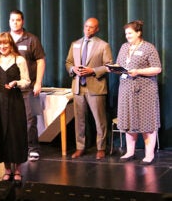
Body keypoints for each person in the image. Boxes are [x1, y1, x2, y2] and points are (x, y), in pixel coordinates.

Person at [111, 20, 161, 165]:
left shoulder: (148, 48)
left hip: (145, 90)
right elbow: (120, 64)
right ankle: (130, 152)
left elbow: (157, 68)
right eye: (126, 33)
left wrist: (138, 71)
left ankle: (149, 154)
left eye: (130, 33)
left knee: (147, 121)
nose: (127, 36)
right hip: (126, 89)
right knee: (127, 120)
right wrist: (112, 68)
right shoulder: (124, 47)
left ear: (138, 33)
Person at [65, 17, 113, 160]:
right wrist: (73, 69)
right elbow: (68, 62)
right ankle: (80, 147)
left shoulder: (103, 45)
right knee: (79, 120)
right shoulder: (75, 44)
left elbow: (109, 66)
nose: (88, 29)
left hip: (95, 87)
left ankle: (101, 147)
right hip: (78, 87)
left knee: (100, 119)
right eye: (86, 26)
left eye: (91, 27)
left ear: (97, 29)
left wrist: (92, 70)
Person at [0, 32, 30, 184]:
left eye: (6, 43)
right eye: (0, 44)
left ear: (11, 44)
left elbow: (26, 81)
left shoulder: (19, 59)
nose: (3, 46)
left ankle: (17, 170)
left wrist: (15, 83)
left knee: (15, 134)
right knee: (1, 133)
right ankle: (7, 170)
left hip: (14, 101)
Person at [9, 9, 46, 162]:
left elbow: (41, 61)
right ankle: (15, 147)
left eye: (18, 20)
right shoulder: (4, 39)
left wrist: (38, 82)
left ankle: (32, 148)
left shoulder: (31, 39)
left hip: (28, 87)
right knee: (11, 119)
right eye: (12, 20)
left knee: (30, 119)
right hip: (9, 87)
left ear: (22, 21)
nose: (15, 23)